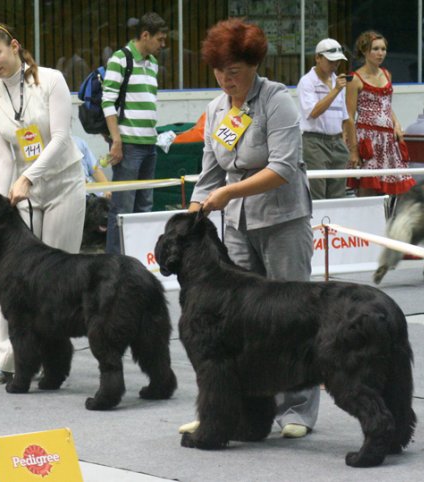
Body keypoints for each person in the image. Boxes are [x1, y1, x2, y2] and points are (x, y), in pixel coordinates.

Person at [184, 18, 318, 439]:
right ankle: (231, 412)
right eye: (220, 71)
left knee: (294, 316)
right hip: (236, 227)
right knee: (239, 323)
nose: (227, 79)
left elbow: (281, 167)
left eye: (235, 71)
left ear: (254, 65)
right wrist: (191, 216)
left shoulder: (278, 101)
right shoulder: (215, 109)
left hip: (282, 221)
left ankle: (298, 409)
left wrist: (228, 193)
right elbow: (208, 176)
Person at [0, 22, 86, 385]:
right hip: (24, 194)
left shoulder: (52, 80)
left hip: (64, 184)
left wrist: (28, 178)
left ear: (14, 46)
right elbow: (2, 157)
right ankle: (4, 357)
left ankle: (53, 363)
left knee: (55, 281)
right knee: (10, 278)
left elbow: (60, 138)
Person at [102, 12, 168, 254]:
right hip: (128, 145)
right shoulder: (120, 59)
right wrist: (116, 141)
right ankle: (114, 263)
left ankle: (138, 260)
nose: (163, 45)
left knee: (144, 208)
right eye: (160, 39)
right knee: (122, 209)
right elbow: (107, 101)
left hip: (150, 143)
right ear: (145, 35)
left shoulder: (153, 64)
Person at [345, 30, 415, 197]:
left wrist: (396, 123)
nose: (380, 53)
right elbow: (349, 115)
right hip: (368, 137)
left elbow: (386, 105)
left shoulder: (386, 74)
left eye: (383, 49)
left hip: (387, 139)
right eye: (375, 49)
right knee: (368, 186)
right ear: (364, 51)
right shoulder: (354, 79)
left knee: (393, 189)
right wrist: (354, 150)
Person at [297, 38, 350, 199]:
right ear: (318, 58)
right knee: (316, 191)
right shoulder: (307, 82)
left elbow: (344, 116)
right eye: (331, 61)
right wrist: (334, 91)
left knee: (338, 193)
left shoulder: (337, 81)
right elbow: (313, 112)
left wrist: (346, 142)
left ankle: (335, 224)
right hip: (314, 141)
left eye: (338, 62)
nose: (334, 65)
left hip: (337, 140)